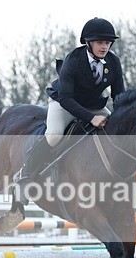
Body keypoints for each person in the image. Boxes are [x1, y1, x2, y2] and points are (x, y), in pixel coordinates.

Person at [14, 17, 125, 187]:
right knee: (54, 135)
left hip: (93, 105)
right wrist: (91, 118)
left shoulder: (113, 61)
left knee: (114, 130)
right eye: (100, 42)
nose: (105, 46)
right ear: (88, 43)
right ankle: (26, 172)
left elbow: (118, 97)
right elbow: (66, 98)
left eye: (108, 42)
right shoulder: (73, 60)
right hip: (64, 103)